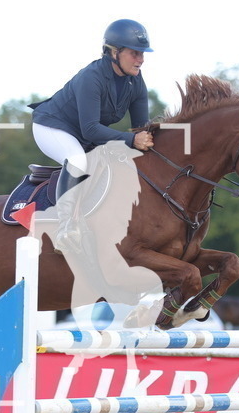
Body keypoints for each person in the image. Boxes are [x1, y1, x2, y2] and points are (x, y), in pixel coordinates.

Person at [30, 18, 155, 254]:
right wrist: (130, 141)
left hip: (84, 136)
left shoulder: (135, 82)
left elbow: (141, 129)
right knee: (78, 161)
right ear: (114, 52)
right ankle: (66, 230)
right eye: (135, 53)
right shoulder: (92, 77)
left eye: (142, 53)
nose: (141, 59)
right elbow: (91, 130)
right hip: (52, 127)